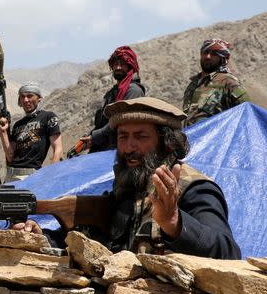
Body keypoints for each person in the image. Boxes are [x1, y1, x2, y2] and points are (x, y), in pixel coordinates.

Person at [14, 97, 241, 260]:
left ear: (167, 142)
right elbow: (88, 239)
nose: (128, 147)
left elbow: (228, 252)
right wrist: (43, 237)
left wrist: (175, 223)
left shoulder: (195, 189)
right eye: (123, 137)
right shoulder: (127, 188)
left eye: (140, 136)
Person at [79, 46, 147, 154]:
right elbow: (103, 122)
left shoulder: (134, 90)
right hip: (106, 151)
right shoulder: (112, 92)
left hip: (121, 151)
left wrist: (96, 136)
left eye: (122, 64)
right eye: (115, 64)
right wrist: (90, 137)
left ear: (130, 66)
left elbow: (122, 119)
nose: (118, 67)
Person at [0, 82, 62, 181]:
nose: (25, 100)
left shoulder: (48, 117)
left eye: (30, 96)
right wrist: (3, 132)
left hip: (31, 176)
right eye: (22, 97)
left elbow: (58, 149)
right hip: (11, 175)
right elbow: (10, 156)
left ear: (39, 98)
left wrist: (51, 175)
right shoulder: (18, 124)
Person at [183, 38, 250, 126]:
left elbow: (247, 113)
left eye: (214, 54)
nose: (208, 57)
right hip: (189, 138)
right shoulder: (193, 84)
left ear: (222, 58)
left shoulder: (229, 83)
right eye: (205, 52)